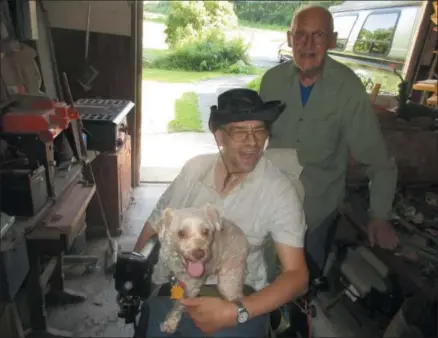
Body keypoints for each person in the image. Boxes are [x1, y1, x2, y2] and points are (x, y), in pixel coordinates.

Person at [133, 88, 309, 337]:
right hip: (177, 282)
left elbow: (297, 276)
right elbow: (154, 224)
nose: (253, 142)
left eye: (259, 130)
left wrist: (237, 311)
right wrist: (135, 267)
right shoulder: (194, 170)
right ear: (219, 137)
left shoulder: (278, 190)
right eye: (240, 132)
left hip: (240, 292)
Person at [260, 4, 399, 272]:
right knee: (260, 275)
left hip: (316, 210)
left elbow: (378, 161)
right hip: (269, 202)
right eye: (300, 35)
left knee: (301, 287)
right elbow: (254, 140)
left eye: (319, 35)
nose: (307, 44)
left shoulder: (348, 89)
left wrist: (380, 216)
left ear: (332, 41)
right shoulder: (271, 82)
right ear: (290, 39)